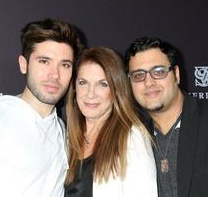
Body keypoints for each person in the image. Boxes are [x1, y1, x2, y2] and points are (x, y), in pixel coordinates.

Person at [0, 18, 83, 197]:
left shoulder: (61, 130)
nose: (54, 75)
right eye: (44, 61)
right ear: (23, 64)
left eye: (65, 65)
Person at [125, 36, 208, 197]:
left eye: (158, 72)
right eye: (139, 75)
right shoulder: (134, 139)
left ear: (176, 74)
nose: (149, 82)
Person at [64, 46, 158, 197]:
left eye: (102, 84)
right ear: (74, 88)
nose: (90, 93)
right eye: (83, 82)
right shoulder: (66, 138)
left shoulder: (132, 137)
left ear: (116, 89)